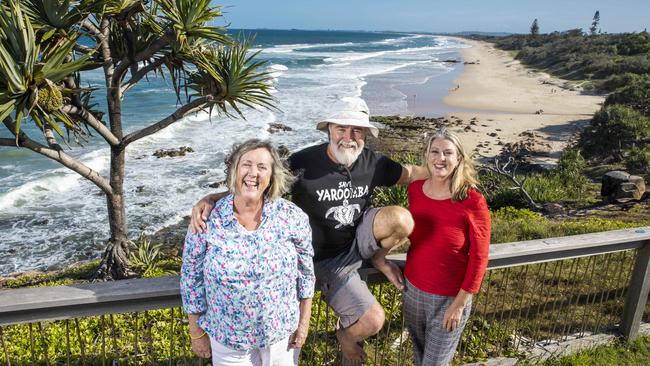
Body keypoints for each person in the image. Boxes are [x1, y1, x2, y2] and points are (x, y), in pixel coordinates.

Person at [191, 101, 429, 363]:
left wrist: (448, 168)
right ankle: (344, 336)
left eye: (357, 131)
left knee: (401, 219)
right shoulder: (303, 162)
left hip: (353, 248)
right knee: (372, 320)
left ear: (365, 135)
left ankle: (377, 260)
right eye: (341, 129)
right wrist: (213, 198)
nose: (349, 138)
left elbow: (411, 173)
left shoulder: (374, 163)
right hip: (316, 260)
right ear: (329, 130)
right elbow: (261, 181)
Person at [180, 139, 315, 366]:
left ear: (272, 176)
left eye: (262, 167)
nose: (253, 173)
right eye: (246, 165)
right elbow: (191, 279)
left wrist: (303, 324)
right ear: (234, 170)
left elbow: (306, 273)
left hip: (282, 335)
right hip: (227, 339)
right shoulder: (207, 220)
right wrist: (196, 333)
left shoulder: (292, 217)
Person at [403, 129, 491, 366]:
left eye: (448, 153)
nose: (440, 158)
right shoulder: (415, 190)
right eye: (435, 151)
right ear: (427, 156)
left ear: (459, 159)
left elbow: (480, 257)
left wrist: (459, 304)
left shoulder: (472, 200)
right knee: (419, 358)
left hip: (449, 299)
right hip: (413, 290)